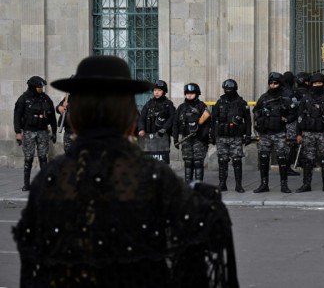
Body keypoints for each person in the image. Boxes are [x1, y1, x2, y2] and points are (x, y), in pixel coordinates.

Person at [13, 55, 239, 288]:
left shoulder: (50, 178)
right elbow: (197, 250)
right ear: (129, 117)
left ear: (77, 117)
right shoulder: (154, 176)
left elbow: (35, 269)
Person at [253, 72, 296, 193]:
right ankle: (264, 184)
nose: (272, 85)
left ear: (280, 84)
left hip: (279, 132)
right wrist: (258, 125)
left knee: (281, 158)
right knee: (263, 157)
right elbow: (256, 111)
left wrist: (286, 119)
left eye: (275, 83)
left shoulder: (285, 97)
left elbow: (294, 112)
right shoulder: (264, 97)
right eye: (271, 83)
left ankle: (284, 185)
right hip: (265, 133)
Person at [296, 72, 324, 193]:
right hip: (308, 133)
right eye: (315, 83)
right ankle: (306, 184)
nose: (317, 85)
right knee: (308, 160)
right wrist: (298, 133)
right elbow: (299, 116)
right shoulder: (306, 98)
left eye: (319, 83)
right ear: (311, 84)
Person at [13, 76, 57, 191]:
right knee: (29, 158)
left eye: (42, 86)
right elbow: (17, 116)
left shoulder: (46, 99)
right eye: (39, 86)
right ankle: (26, 184)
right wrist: (18, 132)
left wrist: (54, 131)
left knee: (43, 158)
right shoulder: (23, 99)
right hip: (28, 132)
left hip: (43, 131)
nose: (41, 88)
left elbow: (52, 116)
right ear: (33, 87)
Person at [210, 79, 252, 193]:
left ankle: (238, 185)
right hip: (222, 136)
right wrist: (212, 135)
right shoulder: (220, 102)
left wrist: (248, 134)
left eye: (230, 89)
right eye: (226, 89)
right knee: (222, 160)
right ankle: (222, 184)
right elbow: (213, 120)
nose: (228, 91)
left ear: (235, 89)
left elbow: (248, 120)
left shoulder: (241, 103)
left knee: (237, 160)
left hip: (236, 136)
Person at [172, 83, 211, 183]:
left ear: (197, 94)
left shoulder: (202, 106)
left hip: (199, 139)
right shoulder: (181, 108)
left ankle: (198, 186)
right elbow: (175, 123)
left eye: (192, 93)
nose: (189, 95)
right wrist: (175, 138)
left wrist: (203, 136)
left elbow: (208, 124)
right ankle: (188, 185)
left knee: (198, 162)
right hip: (186, 139)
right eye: (187, 93)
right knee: (188, 163)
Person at [137, 80, 176, 163]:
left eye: (159, 90)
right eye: (155, 90)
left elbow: (172, 118)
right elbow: (141, 118)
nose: (156, 92)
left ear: (164, 92)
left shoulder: (168, 104)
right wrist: (141, 129)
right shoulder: (148, 104)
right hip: (149, 137)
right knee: (150, 162)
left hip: (163, 137)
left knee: (162, 161)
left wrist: (164, 129)